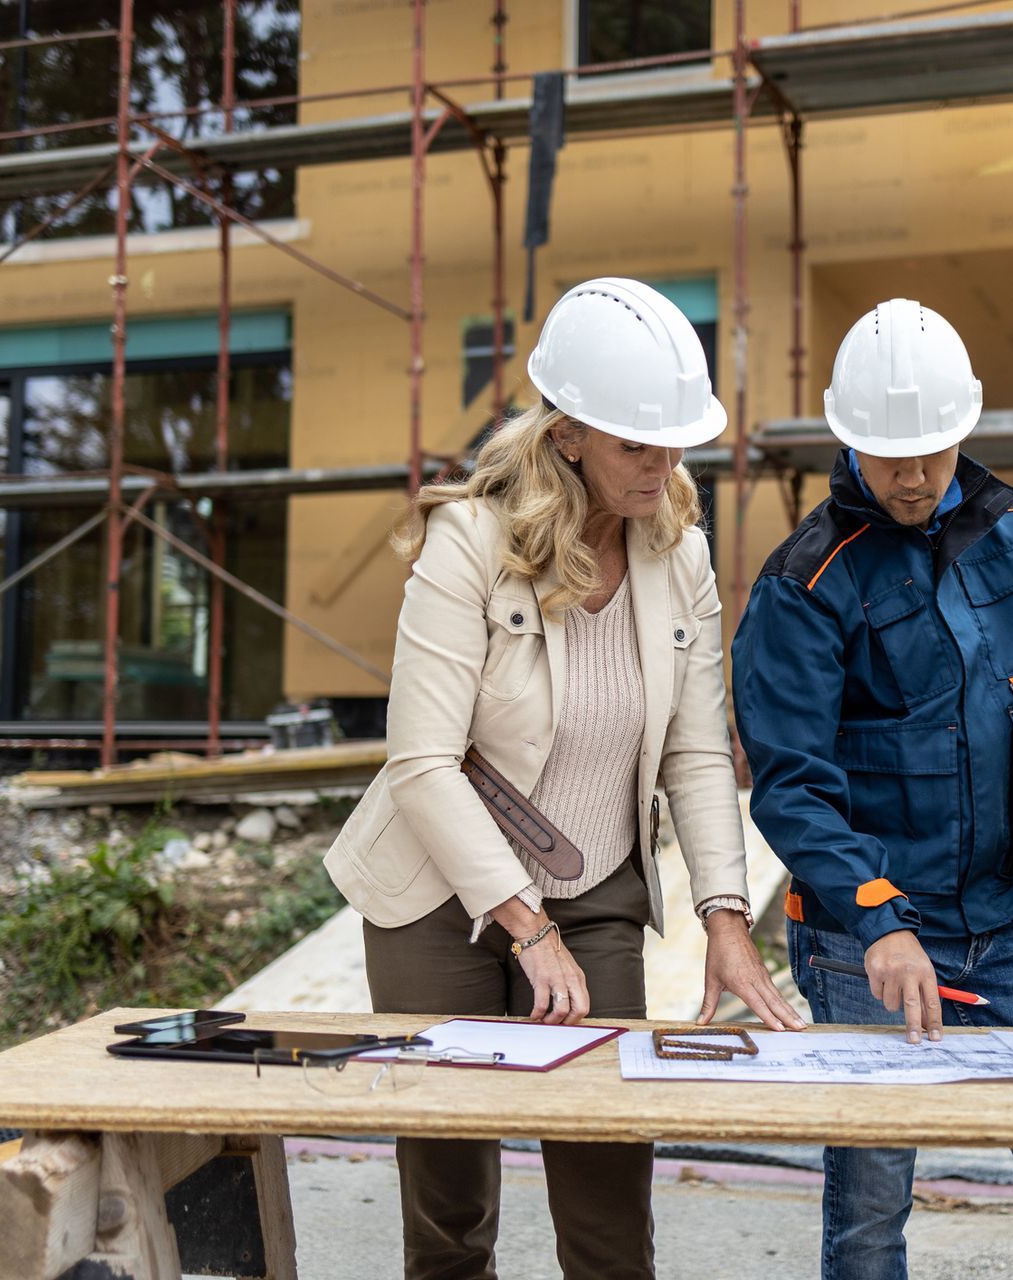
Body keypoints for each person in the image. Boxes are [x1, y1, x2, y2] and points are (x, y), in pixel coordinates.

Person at [325, 276, 802, 1280]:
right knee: (450, 1207)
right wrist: (523, 924)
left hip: (596, 894)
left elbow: (698, 748)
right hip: (435, 896)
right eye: (639, 444)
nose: (665, 465)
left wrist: (725, 912)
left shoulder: (680, 555)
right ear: (571, 433)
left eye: (677, 441)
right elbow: (418, 760)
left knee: (608, 1199)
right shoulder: (467, 545)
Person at [732, 298, 1013, 1280]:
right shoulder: (804, 583)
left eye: (932, 452)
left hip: (1006, 922)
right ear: (846, 439)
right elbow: (791, 784)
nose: (910, 475)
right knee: (872, 1196)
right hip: (861, 941)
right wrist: (879, 919)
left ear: (965, 429)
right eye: (886, 454)